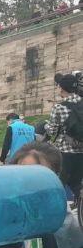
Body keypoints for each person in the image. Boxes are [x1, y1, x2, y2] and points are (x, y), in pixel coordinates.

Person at [45, 73, 83, 202]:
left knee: (59, 184)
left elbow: (52, 130)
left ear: (61, 88)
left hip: (65, 152)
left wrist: (46, 126)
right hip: (81, 151)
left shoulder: (59, 107)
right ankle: (79, 207)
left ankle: (56, 208)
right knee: (77, 184)